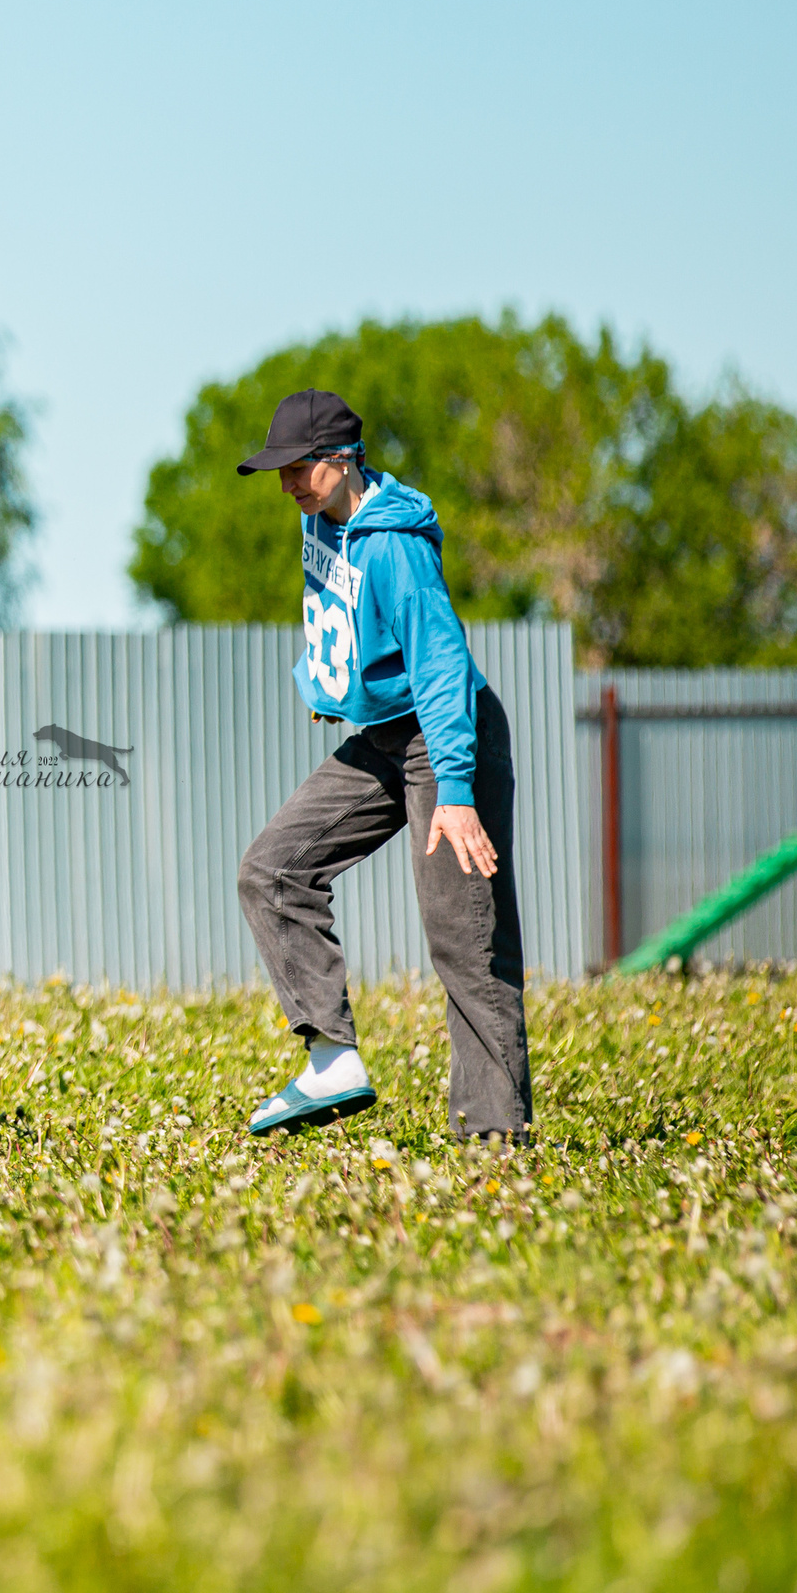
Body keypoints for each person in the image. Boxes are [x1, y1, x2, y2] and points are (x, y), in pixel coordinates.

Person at [233, 389, 530, 1140]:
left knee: (464, 938)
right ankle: (332, 1060)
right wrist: (325, 682)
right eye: (280, 472)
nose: (290, 483)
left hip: (444, 735)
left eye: (300, 467)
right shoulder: (318, 520)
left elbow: (438, 663)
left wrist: (456, 791)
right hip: (382, 737)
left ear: (341, 459)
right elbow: (334, 613)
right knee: (272, 868)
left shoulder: (396, 545)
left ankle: (494, 1140)